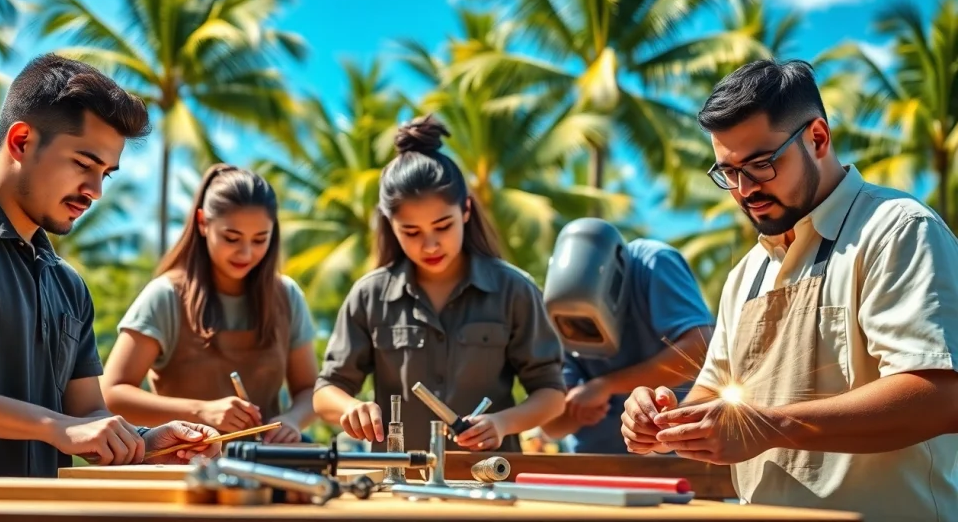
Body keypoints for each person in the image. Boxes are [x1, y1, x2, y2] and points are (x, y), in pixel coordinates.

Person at [620, 59, 958, 520]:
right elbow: (713, 397)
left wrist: (769, 426)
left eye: (760, 164)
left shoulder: (898, 229)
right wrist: (663, 419)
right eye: (727, 173)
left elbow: (939, 399)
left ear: (818, 138)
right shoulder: (747, 271)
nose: (744, 190)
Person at [0, 54, 221, 479]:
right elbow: (66, 427)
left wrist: (142, 442)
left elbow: (85, 415)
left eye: (106, 173)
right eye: (84, 164)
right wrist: (57, 428)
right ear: (21, 142)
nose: (95, 192)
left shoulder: (68, 285)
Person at [312, 115, 566, 454]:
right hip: (398, 488)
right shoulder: (368, 296)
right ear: (391, 225)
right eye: (411, 232)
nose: (430, 245)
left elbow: (551, 394)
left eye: (443, 226)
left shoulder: (514, 290)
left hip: (490, 483)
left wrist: (503, 423)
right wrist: (350, 409)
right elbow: (326, 390)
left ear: (465, 210)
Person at [101, 164, 318, 444]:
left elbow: (310, 389)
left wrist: (291, 420)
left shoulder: (287, 296)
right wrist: (201, 412)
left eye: (260, 239)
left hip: (268, 470)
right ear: (203, 223)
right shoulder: (166, 296)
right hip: (185, 467)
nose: (246, 252)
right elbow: (113, 393)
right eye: (231, 238)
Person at [539, 238, 713, 454]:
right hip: (599, 465)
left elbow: (699, 349)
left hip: (678, 455)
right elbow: (551, 426)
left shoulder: (654, 263)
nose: (582, 331)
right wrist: (575, 414)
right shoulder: (558, 309)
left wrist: (605, 386)